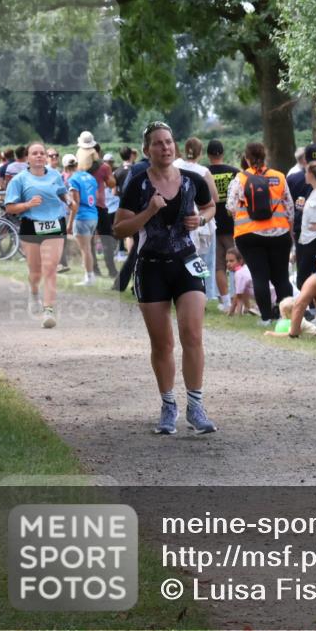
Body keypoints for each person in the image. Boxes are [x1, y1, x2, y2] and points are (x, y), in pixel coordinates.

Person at [113, 121, 217, 435]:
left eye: (169, 142)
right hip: (151, 266)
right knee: (163, 344)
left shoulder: (192, 180)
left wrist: (200, 219)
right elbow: (119, 229)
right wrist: (148, 212)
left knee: (193, 335)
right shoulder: (137, 184)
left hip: (186, 262)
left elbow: (211, 207)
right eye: (158, 143)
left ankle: (196, 406)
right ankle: (168, 404)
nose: (165, 147)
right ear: (147, 150)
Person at [4, 142, 71, 328]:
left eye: (42, 153)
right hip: (31, 226)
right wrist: (27, 205)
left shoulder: (55, 175)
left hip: (55, 224)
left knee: (50, 269)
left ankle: (48, 310)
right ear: (27, 158)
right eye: (35, 153)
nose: (40, 156)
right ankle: (34, 292)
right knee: (35, 272)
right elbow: (9, 207)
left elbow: (62, 192)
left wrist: (69, 200)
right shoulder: (19, 180)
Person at [226, 142, 295, 325]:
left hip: (249, 235)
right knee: (281, 277)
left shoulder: (240, 179)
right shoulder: (279, 177)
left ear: (247, 158)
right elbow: (290, 207)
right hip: (279, 234)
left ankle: (265, 318)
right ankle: (287, 318)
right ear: (265, 158)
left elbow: (231, 206)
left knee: (259, 276)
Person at [174, 137, 221, 300]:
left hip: (178, 215)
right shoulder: (203, 171)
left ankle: (181, 289)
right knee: (205, 259)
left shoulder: (175, 166)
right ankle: (204, 292)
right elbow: (214, 197)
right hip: (200, 216)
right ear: (201, 153)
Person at [206, 139, 239, 311]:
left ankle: (225, 301)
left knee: (219, 264)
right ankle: (237, 298)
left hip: (212, 223)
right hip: (232, 224)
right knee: (237, 261)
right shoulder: (235, 172)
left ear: (208, 154)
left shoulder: (204, 173)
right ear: (223, 153)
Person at [287, 144, 316, 287]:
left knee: (304, 267)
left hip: (302, 227)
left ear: (304, 160)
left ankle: (308, 301)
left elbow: (288, 205)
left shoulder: (292, 178)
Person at [66, 162, 100, 286]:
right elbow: (95, 195)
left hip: (82, 217)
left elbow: (76, 203)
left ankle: (89, 277)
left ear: (66, 168)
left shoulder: (73, 179)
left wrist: (69, 224)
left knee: (85, 250)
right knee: (88, 249)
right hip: (93, 215)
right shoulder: (90, 177)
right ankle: (90, 276)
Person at [90, 143, 118, 279]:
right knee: (107, 239)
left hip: (85, 207)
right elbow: (112, 183)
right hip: (100, 207)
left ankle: (93, 269)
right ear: (99, 152)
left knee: (89, 240)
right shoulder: (104, 167)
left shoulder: (81, 167)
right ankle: (111, 270)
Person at [225, 247, 255, 316]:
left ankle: (250, 309)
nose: (228, 264)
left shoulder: (239, 274)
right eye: (227, 261)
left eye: (231, 261)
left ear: (240, 261)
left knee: (240, 292)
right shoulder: (245, 268)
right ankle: (248, 308)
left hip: (267, 298)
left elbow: (238, 296)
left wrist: (232, 313)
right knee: (242, 289)